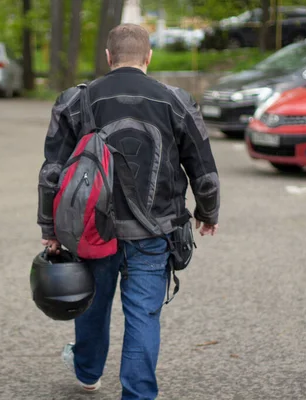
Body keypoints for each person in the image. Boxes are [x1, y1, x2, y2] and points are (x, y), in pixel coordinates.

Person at [36, 23, 220, 400]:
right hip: (154, 233)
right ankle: (137, 395)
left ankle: (87, 372)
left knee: (90, 302)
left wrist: (49, 227)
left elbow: (52, 171)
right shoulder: (177, 100)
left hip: (90, 230)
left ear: (108, 57)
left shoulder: (75, 100)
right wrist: (208, 212)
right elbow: (203, 167)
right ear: (148, 57)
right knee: (143, 316)